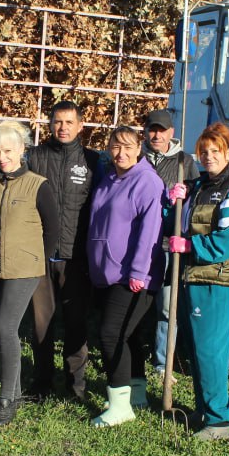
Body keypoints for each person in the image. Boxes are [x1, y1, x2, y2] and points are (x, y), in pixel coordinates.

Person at [166, 123, 229, 441]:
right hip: (195, 277)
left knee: (210, 350)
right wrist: (173, 200)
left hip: (217, 280)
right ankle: (204, 409)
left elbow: (228, 242)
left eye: (215, 151)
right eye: (204, 151)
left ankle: (220, 420)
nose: (208, 157)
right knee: (197, 350)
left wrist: (191, 246)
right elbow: (178, 221)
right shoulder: (198, 186)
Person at [0, 121, 60, 427]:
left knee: (5, 327)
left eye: (8, 150)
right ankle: (17, 388)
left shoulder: (38, 184)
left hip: (24, 269)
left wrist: (38, 258)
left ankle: (6, 400)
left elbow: (52, 228)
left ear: (22, 150)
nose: (2, 157)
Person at [86, 126, 165, 427]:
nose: (121, 153)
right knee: (128, 334)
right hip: (107, 271)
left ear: (140, 148)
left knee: (111, 334)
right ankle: (138, 393)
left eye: (128, 147)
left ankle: (119, 405)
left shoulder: (147, 182)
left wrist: (138, 271)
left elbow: (150, 232)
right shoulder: (108, 177)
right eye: (115, 147)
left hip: (133, 275)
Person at [23, 100, 102, 400]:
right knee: (42, 325)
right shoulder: (34, 157)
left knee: (76, 323)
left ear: (81, 126)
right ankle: (41, 383)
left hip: (76, 258)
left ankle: (76, 387)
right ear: (49, 124)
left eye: (69, 122)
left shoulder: (94, 162)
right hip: (40, 256)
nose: (63, 127)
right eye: (58, 121)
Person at [138, 108, 198, 378]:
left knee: (167, 306)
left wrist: (184, 199)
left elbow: (198, 200)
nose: (156, 134)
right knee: (135, 302)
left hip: (168, 243)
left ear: (172, 133)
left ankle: (162, 362)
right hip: (138, 244)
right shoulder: (136, 157)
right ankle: (131, 354)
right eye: (152, 129)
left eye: (162, 130)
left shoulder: (185, 162)